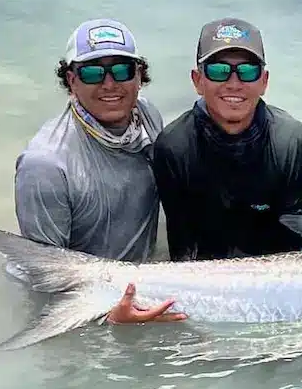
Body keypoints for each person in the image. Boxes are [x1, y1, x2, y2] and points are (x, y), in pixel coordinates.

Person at [13, 18, 185, 325]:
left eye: (122, 70)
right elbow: (42, 280)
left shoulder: (147, 115)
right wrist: (108, 319)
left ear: (139, 76)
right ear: (71, 80)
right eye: (92, 73)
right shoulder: (45, 166)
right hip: (92, 301)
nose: (109, 84)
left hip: (141, 280)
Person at [152, 17, 302, 261]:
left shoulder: (292, 142)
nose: (233, 84)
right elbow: (182, 246)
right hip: (205, 273)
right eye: (218, 71)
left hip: (279, 272)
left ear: (264, 81)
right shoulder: (173, 146)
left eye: (247, 71)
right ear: (197, 80)